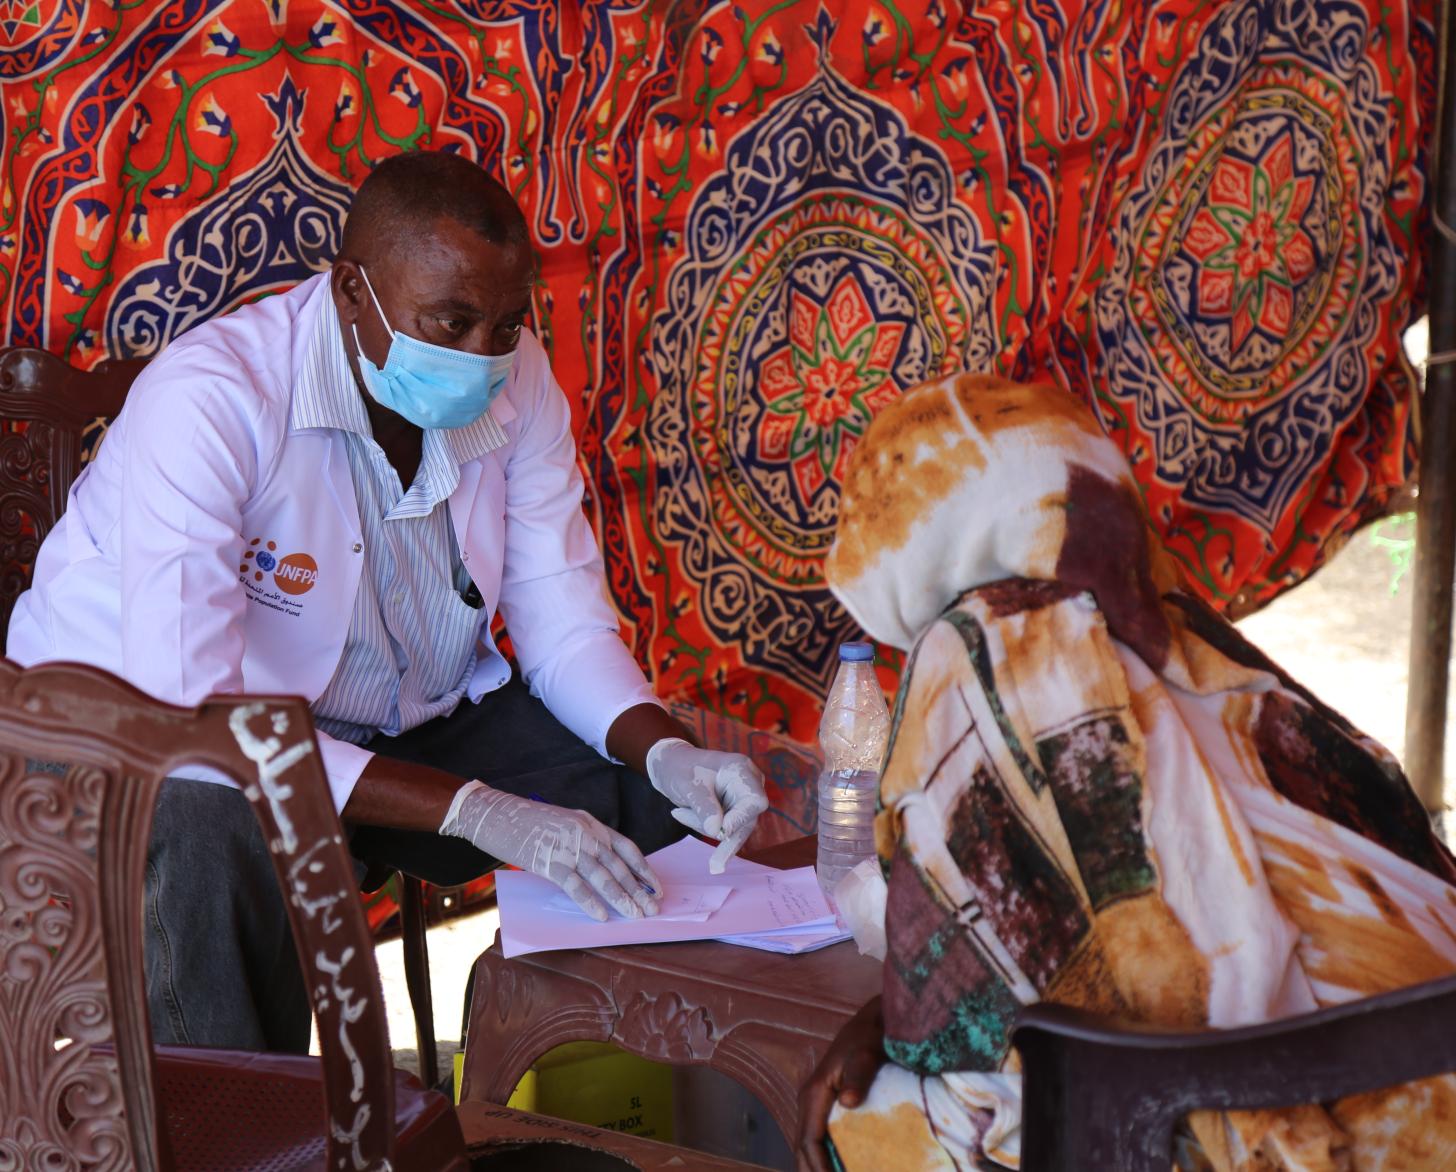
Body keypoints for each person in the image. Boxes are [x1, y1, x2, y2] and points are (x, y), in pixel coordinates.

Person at [8, 150, 768, 1054]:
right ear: (351, 294)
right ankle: (240, 1125)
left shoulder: (519, 381)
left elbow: (561, 618)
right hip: (144, 735)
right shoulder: (214, 400)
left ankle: (596, 1090)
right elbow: (201, 716)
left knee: (639, 804)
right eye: (448, 322)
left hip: (393, 713)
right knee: (208, 824)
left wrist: (667, 752)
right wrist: (472, 808)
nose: (484, 356)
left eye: (506, 324)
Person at [797, 372, 1456, 1170]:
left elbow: (945, 1007)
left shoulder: (976, 650)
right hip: (1420, 1074)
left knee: (869, 1111)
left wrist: (879, 1021)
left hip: (1253, 1109)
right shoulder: (1182, 625)